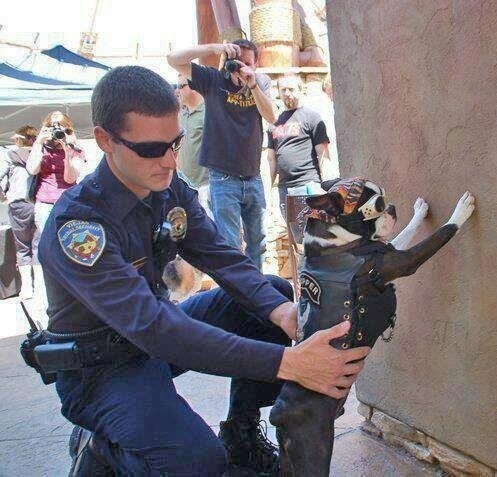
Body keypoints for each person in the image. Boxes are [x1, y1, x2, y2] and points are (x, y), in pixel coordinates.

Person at [36, 66, 370, 476]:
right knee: (198, 462)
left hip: (153, 339)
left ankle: (241, 434)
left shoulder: (167, 188)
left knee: (272, 296)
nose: (169, 161)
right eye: (151, 149)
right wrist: (288, 362)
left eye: (175, 143)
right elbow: (153, 327)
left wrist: (284, 314)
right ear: (105, 140)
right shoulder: (79, 227)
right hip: (101, 368)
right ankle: (104, 449)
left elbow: (222, 257)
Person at [167, 40, 276, 271]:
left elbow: (271, 116)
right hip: (223, 177)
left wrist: (252, 85)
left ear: (256, 64)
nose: (242, 68)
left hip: (253, 175)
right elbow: (173, 59)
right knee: (230, 245)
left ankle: (257, 289)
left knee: (258, 243)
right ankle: (237, 291)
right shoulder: (214, 80)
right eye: (238, 62)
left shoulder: (261, 82)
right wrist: (213, 48)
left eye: (248, 63)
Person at [268, 74, 335, 219]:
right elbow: (271, 159)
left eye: (291, 89)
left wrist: (327, 188)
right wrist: (268, 193)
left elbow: (323, 155)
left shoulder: (312, 118)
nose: (287, 93)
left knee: (314, 228)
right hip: (284, 189)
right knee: (293, 231)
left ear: (300, 90)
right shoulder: (274, 124)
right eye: (283, 90)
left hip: (308, 186)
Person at [0, 125, 38, 298]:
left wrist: (3, 197)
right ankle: (40, 286)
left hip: (18, 204)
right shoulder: (40, 155)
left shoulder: (10, 155)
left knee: (22, 246)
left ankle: (27, 287)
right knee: (38, 245)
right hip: (39, 203)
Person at [176, 74, 211, 216]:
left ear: (194, 87)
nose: (177, 90)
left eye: (181, 86)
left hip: (205, 187)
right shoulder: (181, 114)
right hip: (184, 186)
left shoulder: (209, 113)